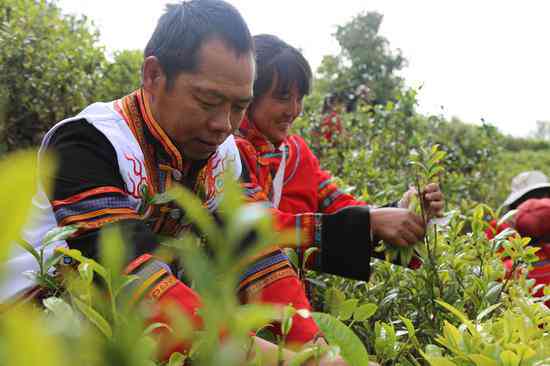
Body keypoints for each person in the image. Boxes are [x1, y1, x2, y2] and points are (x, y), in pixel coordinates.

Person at [1, 2, 348, 364]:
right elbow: (134, 281)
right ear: (153, 76)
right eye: (208, 100)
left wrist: (317, 347)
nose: (224, 124)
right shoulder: (88, 143)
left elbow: (259, 254)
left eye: (238, 107)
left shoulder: (223, 155)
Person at [235, 34, 443, 344]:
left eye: (300, 97)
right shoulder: (224, 154)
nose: (294, 109)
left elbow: (339, 208)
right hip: (235, 321)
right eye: (281, 97)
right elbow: (260, 228)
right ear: (249, 94)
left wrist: (404, 210)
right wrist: (371, 221)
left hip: (291, 316)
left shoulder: (296, 154)